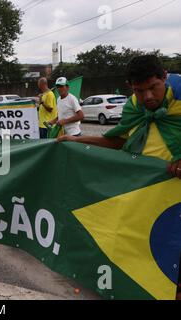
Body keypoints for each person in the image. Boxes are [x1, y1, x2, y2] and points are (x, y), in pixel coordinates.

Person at [58, 55, 181, 300]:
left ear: (164, 78)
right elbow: (118, 140)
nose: (147, 97)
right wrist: (76, 140)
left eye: (153, 88)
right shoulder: (134, 108)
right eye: (139, 90)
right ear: (130, 86)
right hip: (143, 201)